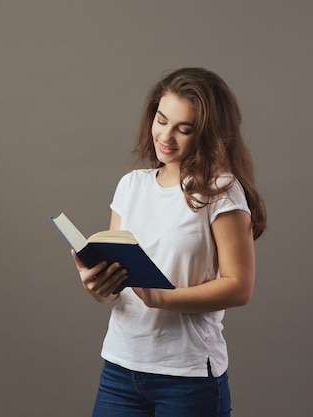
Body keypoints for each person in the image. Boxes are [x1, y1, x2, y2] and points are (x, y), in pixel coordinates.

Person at [71, 67, 267, 417]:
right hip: (120, 367)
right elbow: (119, 278)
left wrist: (164, 298)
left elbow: (240, 287)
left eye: (184, 129)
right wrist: (98, 286)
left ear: (208, 134)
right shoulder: (131, 185)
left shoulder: (220, 192)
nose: (166, 136)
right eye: (161, 120)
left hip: (188, 377)